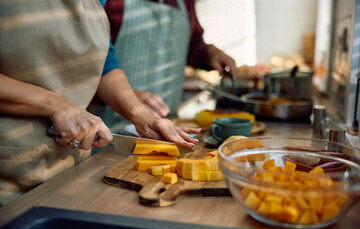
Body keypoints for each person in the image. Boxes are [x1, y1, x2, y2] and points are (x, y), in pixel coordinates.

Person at [0, 0, 200, 205]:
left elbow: (104, 64)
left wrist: (142, 116)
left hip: (74, 165)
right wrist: (55, 105)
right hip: (10, 170)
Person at [92, 0, 236, 132]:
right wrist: (125, 96)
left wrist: (208, 53)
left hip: (166, 122)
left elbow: (191, 44)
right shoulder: (104, 3)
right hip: (109, 123)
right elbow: (87, 62)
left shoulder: (185, 3)